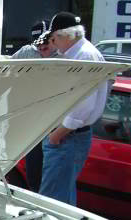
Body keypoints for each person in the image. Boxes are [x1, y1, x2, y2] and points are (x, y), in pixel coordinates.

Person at [38, 11, 107, 205]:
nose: (53, 44)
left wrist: (56, 135)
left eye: (53, 38)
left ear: (64, 36)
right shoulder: (83, 53)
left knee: (52, 201)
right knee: (63, 196)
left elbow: (83, 106)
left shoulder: (84, 56)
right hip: (69, 135)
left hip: (67, 136)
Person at [12, 30, 57, 192]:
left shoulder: (62, 56)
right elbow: (7, 69)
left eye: (46, 48)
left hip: (53, 121)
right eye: (39, 48)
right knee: (33, 170)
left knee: (50, 176)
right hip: (32, 120)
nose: (42, 52)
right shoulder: (27, 52)